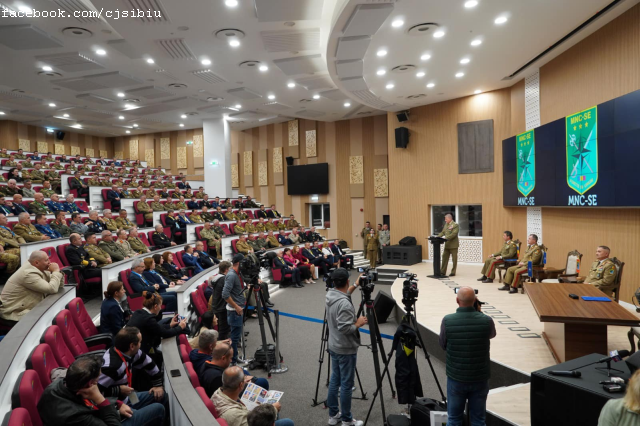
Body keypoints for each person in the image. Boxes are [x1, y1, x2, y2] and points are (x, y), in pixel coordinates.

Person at [439, 286, 496, 426]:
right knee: (478, 420)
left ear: (457, 300)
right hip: (480, 378)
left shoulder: (447, 321)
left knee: (453, 419)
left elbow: (443, 345)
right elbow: (491, 335)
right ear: (475, 300)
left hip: (456, 378)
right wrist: (479, 313)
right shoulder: (487, 320)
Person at [326, 268, 367, 426]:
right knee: (346, 385)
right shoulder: (344, 305)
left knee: (335, 380)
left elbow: (344, 295)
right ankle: (347, 420)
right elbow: (344, 328)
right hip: (345, 348)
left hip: (334, 345)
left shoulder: (331, 294)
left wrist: (356, 285)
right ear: (346, 281)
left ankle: (333, 415)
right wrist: (357, 324)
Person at [98, 328, 167, 422]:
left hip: (128, 397)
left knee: (161, 395)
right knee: (158, 409)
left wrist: (158, 385)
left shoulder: (130, 353)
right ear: (132, 346)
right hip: (116, 409)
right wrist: (118, 390)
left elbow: (149, 364)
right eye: (140, 342)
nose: (140, 345)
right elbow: (95, 392)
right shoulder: (112, 367)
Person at [37, 356, 124, 425]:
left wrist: (116, 403)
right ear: (91, 384)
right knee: (136, 415)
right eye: (97, 380)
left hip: (102, 415)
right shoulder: (75, 416)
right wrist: (101, 400)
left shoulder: (59, 385)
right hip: (107, 419)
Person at [0, 250, 62, 329]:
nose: (49, 262)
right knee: (48, 320)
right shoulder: (28, 273)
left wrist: (56, 272)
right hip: (14, 312)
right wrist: (56, 271)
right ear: (36, 262)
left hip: (26, 307)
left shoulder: (39, 268)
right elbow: (52, 288)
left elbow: (58, 285)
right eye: (46, 260)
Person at [212, 366, 293, 426]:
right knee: (288, 422)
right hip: (249, 421)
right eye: (244, 379)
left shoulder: (218, 392)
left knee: (269, 407)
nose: (247, 380)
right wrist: (273, 409)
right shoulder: (234, 415)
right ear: (241, 385)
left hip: (242, 415)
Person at [127, 291, 187, 364]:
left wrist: (170, 325)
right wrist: (180, 327)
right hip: (139, 352)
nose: (160, 308)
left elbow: (156, 327)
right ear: (155, 306)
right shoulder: (148, 319)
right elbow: (164, 333)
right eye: (160, 305)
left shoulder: (138, 312)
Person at [223, 254, 248, 365]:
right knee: (235, 337)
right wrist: (236, 306)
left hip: (237, 309)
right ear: (238, 263)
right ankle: (233, 361)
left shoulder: (238, 273)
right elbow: (225, 294)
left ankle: (235, 358)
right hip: (235, 311)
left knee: (236, 337)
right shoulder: (232, 275)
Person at [209, 261, 232, 340]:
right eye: (230, 269)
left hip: (217, 305)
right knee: (223, 329)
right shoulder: (223, 279)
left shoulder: (218, 277)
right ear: (226, 270)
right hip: (221, 307)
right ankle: (221, 346)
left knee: (223, 328)